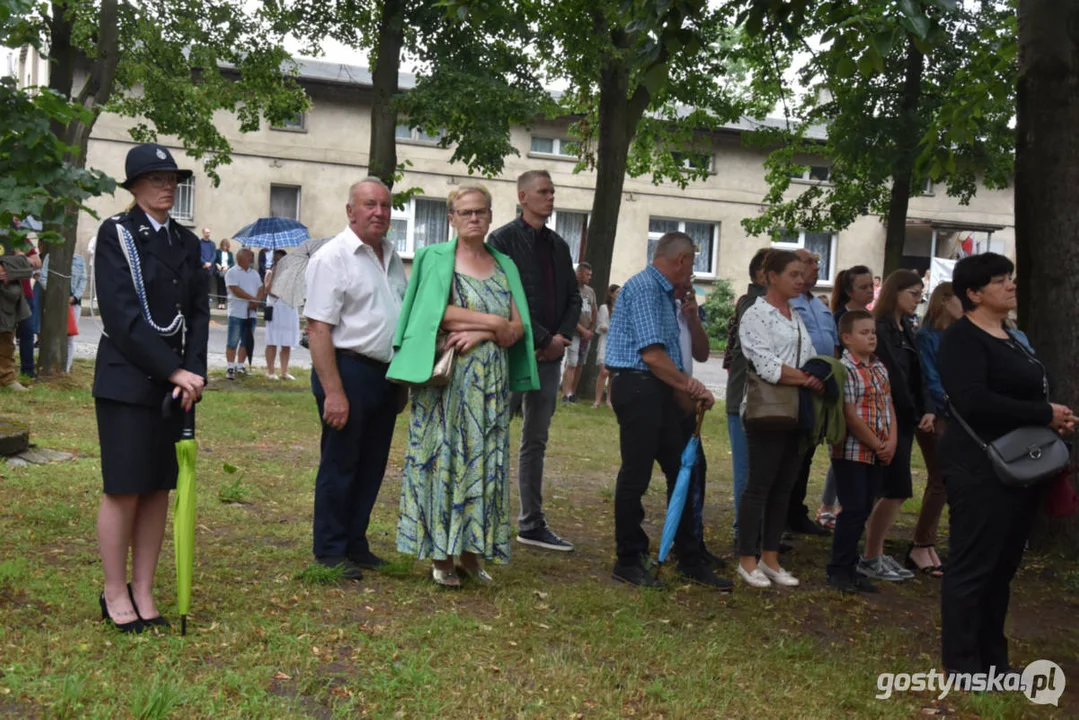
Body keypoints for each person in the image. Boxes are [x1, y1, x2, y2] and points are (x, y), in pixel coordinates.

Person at [390, 185, 538, 586]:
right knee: (444, 460)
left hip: (490, 383)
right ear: (451, 218)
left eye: (481, 212)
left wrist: (483, 335)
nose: (474, 218)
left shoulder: (504, 263)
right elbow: (433, 315)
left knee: (484, 462)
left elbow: (518, 329)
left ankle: (472, 553)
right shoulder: (433, 258)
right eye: (465, 212)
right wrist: (492, 323)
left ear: (491, 217)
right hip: (447, 381)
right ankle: (440, 555)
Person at [937, 253, 1075, 675]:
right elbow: (973, 400)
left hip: (1021, 467)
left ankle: (993, 662)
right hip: (980, 468)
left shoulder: (1011, 336)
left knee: (1001, 571)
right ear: (974, 293)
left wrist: (1054, 418)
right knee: (973, 567)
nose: (1011, 286)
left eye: (1011, 278)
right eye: (1000, 281)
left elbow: (1026, 394)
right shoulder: (962, 339)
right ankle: (963, 666)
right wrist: (1041, 414)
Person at [92, 143, 209, 632]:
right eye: (157, 178)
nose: (167, 185)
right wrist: (173, 370)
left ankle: (144, 588)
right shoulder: (117, 234)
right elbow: (122, 317)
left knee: (160, 487)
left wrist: (194, 372)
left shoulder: (184, 241)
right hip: (128, 380)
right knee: (125, 487)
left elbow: (200, 313)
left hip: (177, 385)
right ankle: (114, 590)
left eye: (173, 178)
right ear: (135, 187)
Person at [604, 232, 726, 589]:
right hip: (638, 387)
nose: (692, 273)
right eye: (692, 264)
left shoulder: (663, 294)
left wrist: (682, 394)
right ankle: (627, 558)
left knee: (684, 469)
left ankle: (688, 556)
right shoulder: (644, 289)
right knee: (636, 475)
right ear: (682, 260)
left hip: (657, 389)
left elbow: (665, 358)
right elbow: (652, 356)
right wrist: (693, 386)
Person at [304, 177, 408, 580]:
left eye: (385, 205)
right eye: (369, 205)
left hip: (384, 376)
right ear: (351, 211)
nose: (379, 212)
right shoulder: (333, 257)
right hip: (346, 371)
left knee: (372, 465)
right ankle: (330, 550)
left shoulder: (392, 256)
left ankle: (355, 542)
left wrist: (399, 383)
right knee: (341, 462)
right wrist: (334, 391)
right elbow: (318, 328)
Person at [488, 170, 581, 552]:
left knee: (535, 440)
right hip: (514, 352)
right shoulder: (502, 240)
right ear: (522, 196)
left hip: (550, 357)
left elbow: (573, 297)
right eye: (543, 192)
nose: (551, 197)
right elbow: (508, 294)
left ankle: (531, 523)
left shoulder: (559, 245)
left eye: (553, 191)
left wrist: (561, 338)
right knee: (493, 435)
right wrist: (542, 337)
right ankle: (488, 518)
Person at [736, 250, 821, 588]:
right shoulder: (756, 315)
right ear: (771, 276)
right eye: (794, 274)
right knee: (759, 486)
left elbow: (811, 356)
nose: (801, 280)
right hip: (768, 412)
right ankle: (747, 559)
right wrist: (806, 378)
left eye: (803, 275)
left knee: (784, 486)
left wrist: (813, 375)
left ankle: (771, 557)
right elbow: (767, 366)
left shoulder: (794, 315)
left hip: (797, 410)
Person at [859, 270, 932, 582]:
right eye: (913, 294)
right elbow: (894, 378)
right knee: (896, 487)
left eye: (920, 294)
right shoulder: (882, 328)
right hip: (888, 415)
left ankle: (873, 552)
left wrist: (926, 408)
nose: (918, 300)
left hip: (906, 415)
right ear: (895, 292)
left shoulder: (906, 327)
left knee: (891, 487)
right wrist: (915, 412)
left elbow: (919, 373)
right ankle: (870, 555)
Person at [827, 310, 895, 594]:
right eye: (863, 333)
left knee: (865, 507)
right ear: (846, 338)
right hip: (853, 452)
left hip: (877, 451)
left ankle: (853, 567)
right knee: (852, 510)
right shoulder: (846, 370)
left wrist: (891, 441)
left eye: (873, 332)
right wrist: (876, 444)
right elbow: (851, 415)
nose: (871, 337)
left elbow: (889, 405)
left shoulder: (879, 366)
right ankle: (839, 569)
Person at [907, 282, 962, 577]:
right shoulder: (928, 336)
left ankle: (927, 544)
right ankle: (920, 544)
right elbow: (930, 378)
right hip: (937, 414)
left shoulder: (958, 335)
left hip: (958, 415)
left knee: (947, 480)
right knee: (940, 478)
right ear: (944, 301)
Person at [817, 264, 875, 528]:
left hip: (868, 393)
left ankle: (846, 505)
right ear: (850, 290)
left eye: (871, 286)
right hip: (846, 391)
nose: (870, 291)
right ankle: (828, 506)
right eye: (863, 287)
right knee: (842, 450)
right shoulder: (840, 317)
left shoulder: (871, 317)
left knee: (860, 452)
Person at [786, 249, 837, 537]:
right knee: (790, 453)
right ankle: (781, 515)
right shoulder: (787, 302)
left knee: (806, 454)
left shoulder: (818, 304)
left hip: (821, 389)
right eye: (810, 262)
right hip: (797, 386)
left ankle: (797, 512)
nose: (817, 267)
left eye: (818, 262)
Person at [675, 278, 723, 568]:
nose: (687, 293)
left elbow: (702, 353)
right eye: (684, 286)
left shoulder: (684, 312)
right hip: (671, 400)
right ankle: (685, 548)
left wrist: (693, 318)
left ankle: (694, 542)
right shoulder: (662, 308)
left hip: (687, 402)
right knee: (685, 472)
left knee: (696, 471)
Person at [723, 248, 769, 549]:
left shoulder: (767, 306)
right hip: (746, 400)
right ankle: (746, 533)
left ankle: (758, 530)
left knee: (760, 469)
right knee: (747, 470)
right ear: (766, 275)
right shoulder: (754, 307)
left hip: (759, 400)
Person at [38, 252, 88, 373]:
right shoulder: (50, 257)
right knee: (52, 334)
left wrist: (75, 297)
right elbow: (43, 278)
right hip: (54, 303)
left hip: (73, 303)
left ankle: (65, 369)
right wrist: (56, 296)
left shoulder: (79, 259)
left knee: (69, 337)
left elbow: (83, 279)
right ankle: (50, 366)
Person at [224, 248, 263, 380]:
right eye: (249, 256)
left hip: (251, 313)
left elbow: (261, 288)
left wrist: (257, 301)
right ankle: (230, 367)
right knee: (232, 341)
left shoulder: (255, 274)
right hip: (237, 312)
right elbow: (235, 289)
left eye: (252, 256)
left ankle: (240, 366)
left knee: (246, 342)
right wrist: (252, 299)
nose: (252, 258)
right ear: (240, 258)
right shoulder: (232, 272)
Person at [561, 262, 596, 403]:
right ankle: (565, 394)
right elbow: (567, 313)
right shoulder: (570, 289)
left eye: (590, 275)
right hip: (573, 333)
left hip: (586, 335)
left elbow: (594, 311)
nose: (589, 278)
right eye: (587, 274)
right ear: (579, 273)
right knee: (572, 363)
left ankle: (572, 393)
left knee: (580, 364)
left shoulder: (590, 291)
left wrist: (590, 330)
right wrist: (582, 330)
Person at [263, 248, 300, 380]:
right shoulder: (270, 272)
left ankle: (284, 371)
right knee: (272, 340)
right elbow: (268, 289)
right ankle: (271, 371)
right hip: (275, 308)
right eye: (277, 259)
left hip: (288, 308)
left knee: (287, 340)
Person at [592, 284, 619, 409]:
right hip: (605, 341)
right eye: (617, 292)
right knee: (604, 371)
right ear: (611, 294)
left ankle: (609, 399)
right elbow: (601, 325)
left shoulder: (620, 308)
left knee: (612, 373)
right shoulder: (604, 308)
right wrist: (613, 329)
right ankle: (597, 400)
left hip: (616, 342)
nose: (619, 295)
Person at [214, 239, 233, 310]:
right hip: (219, 270)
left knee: (225, 287)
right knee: (219, 287)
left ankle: (223, 303)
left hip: (227, 271)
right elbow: (214, 260)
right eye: (224, 246)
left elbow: (232, 263)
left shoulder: (230, 253)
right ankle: (219, 303)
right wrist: (217, 265)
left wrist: (227, 266)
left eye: (226, 246)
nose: (225, 247)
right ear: (221, 245)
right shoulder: (217, 252)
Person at [199, 228, 216, 304]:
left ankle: (208, 297)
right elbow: (198, 254)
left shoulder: (212, 244)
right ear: (203, 233)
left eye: (209, 232)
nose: (208, 234)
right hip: (202, 266)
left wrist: (210, 263)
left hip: (210, 267)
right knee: (201, 283)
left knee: (208, 283)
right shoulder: (199, 243)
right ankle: (201, 297)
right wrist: (204, 263)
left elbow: (214, 255)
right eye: (206, 232)